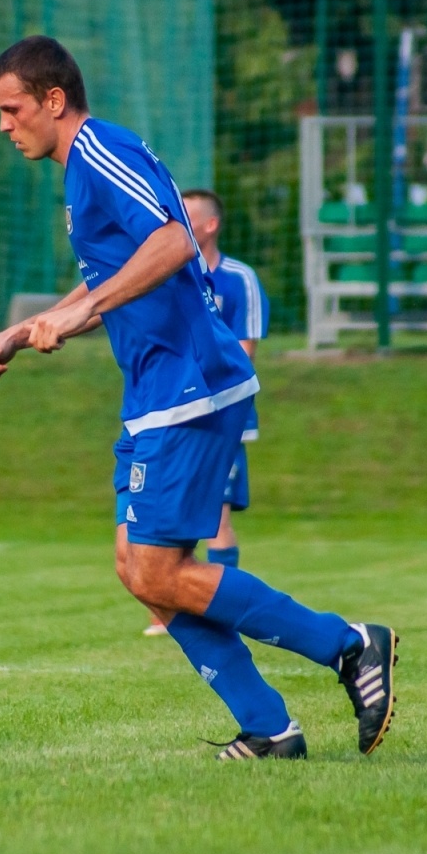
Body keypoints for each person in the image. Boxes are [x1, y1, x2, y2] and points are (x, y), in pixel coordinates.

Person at [0, 36, 398, 760]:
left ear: (52, 99)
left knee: (160, 569)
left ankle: (350, 646)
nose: (5, 126)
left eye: (12, 110)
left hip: (190, 384)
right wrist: (22, 331)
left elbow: (172, 242)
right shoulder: (83, 170)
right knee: (138, 570)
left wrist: (75, 317)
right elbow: (121, 269)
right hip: (155, 390)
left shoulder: (99, 150)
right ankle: (270, 729)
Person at [139, 188, 267, 638]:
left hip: (219, 415)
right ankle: (169, 606)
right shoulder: (171, 273)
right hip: (172, 414)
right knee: (170, 513)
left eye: (187, 216)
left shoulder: (238, 279)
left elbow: (245, 349)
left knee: (217, 515)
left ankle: (219, 609)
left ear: (210, 225)